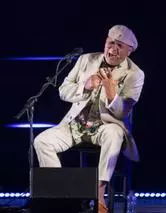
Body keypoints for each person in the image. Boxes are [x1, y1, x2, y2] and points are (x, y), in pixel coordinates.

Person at [33, 25, 144, 213]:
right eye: (110, 43)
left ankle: (99, 196)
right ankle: (60, 197)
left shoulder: (135, 74)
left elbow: (122, 112)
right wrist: (85, 86)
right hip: (74, 125)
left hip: (105, 126)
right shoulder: (86, 60)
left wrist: (111, 93)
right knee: (42, 140)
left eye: (119, 46)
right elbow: (63, 91)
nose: (112, 49)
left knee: (114, 134)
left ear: (129, 51)